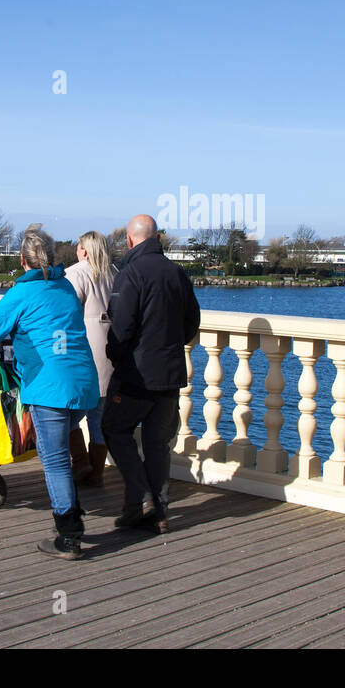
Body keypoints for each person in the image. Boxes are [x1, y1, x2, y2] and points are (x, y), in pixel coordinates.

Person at [0, 226, 99, 560]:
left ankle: (68, 536)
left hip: (51, 386)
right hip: (83, 384)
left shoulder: (22, 294)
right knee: (60, 454)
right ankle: (71, 515)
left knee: (54, 461)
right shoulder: (65, 286)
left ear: (23, 260)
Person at [103, 214, 201, 533]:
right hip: (170, 373)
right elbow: (192, 322)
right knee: (158, 444)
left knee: (115, 430)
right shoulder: (176, 273)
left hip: (135, 375)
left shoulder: (130, 273)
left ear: (130, 239)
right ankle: (154, 512)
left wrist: (115, 357)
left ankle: (143, 497)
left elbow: (121, 327)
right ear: (156, 238)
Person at [64, 231, 114, 488]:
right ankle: (96, 474)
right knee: (98, 417)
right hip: (109, 354)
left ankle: (80, 462)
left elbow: (67, 314)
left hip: (84, 354)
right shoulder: (114, 274)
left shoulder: (76, 274)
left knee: (69, 415)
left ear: (84, 249)